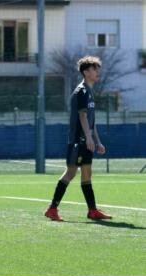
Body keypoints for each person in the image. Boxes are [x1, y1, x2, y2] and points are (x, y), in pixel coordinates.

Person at [45, 56, 112, 222]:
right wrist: (88, 138)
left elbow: (91, 121)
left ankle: (92, 210)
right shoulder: (81, 91)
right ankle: (52, 209)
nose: (97, 72)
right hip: (78, 140)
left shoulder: (89, 92)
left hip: (86, 140)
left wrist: (97, 141)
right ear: (86, 72)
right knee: (71, 172)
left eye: (97, 69)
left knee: (87, 173)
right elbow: (82, 116)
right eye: (94, 69)